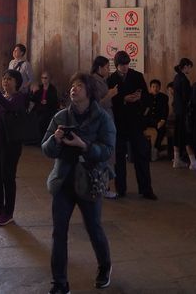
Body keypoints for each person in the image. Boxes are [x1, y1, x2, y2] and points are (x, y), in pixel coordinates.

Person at [42, 72, 115, 294]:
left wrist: (85, 146)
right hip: (63, 181)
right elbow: (45, 148)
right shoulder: (61, 116)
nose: (74, 89)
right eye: (73, 85)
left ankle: (104, 267)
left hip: (89, 181)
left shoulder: (103, 119)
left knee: (94, 228)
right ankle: (60, 283)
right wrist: (55, 139)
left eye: (80, 85)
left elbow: (108, 150)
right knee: (59, 232)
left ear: (90, 91)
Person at [106, 51, 155, 200]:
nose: (125, 67)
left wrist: (140, 97)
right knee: (119, 158)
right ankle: (121, 189)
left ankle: (146, 189)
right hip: (119, 123)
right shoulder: (111, 79)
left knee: (141, 156)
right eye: (122, 65)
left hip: (135, 122)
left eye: (127, 64)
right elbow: (109, 101)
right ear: (117, 65)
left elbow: (147, 97)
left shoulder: (137, 76)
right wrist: (124, 99)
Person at [0, 70, 29, 226]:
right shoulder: (0, 97)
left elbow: (9, 106)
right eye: (4, 79)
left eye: (9, 79)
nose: (5, 82)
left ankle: (8, 212)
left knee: (7, 178)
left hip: (11, 144)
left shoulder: (19, 98)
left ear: (17, 82)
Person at [169, 59, 194, 169]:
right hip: (183, 112)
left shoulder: (176, 78)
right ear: (186, 66)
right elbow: (187, 97)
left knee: (177, 134)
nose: (190, 69)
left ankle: (177, 159)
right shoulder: (184, 80)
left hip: (177, 111)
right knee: (184, 136)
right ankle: (193, 161)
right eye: (189, 67)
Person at [143, 79, 169, 161]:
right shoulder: (147, 96)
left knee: (162, 129)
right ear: (150, 88)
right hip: (147, 120)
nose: (155, 88)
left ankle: (155, 149)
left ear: (160, 87)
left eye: (157, 86)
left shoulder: (164, 97)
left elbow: (165, 110)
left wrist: (162, 120)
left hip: (158, 120)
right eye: (153, 86)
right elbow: (144, 110)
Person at [32, 71, 61, 143]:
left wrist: (47, 102)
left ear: (49, 79)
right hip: (39, 108)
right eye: (42, 78)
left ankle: (41, 140)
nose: (44, 80)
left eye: (45, 78)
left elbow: (55, 102)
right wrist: (33, 92)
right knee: (32, 118)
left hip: (48, 109)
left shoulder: (52, 89)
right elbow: (33, 99)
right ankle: (33, 139)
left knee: (41, 121)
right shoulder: (40, 87)